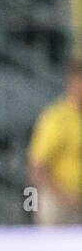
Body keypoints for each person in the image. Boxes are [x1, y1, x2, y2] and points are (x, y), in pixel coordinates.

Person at [27, 59, 82, 225]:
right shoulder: (57, 117)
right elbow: (37, 168)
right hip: (58, 206)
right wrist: (64, 197)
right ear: (73, 83)